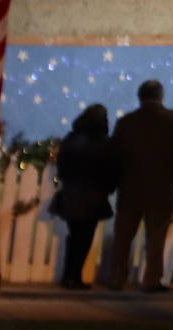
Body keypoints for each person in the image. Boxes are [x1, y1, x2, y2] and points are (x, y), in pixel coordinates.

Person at [105, 79, 173, 291]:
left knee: (123, 237)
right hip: (161, 189)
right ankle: (151, 280)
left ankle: (117, 278)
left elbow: (114, 156)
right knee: (156, 237)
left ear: (140, 96)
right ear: (161, 96)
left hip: (130, 189)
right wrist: (170, 174)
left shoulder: (126, 122)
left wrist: (122, 178)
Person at [49, 104, 113, 289]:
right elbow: (109, 170)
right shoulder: (102, 143)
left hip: (71, 194)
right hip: (93, 196)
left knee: (74, 236)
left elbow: (62, 168)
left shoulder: (71, 139)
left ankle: (69, 275)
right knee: (84, 239)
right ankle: (74, 276)